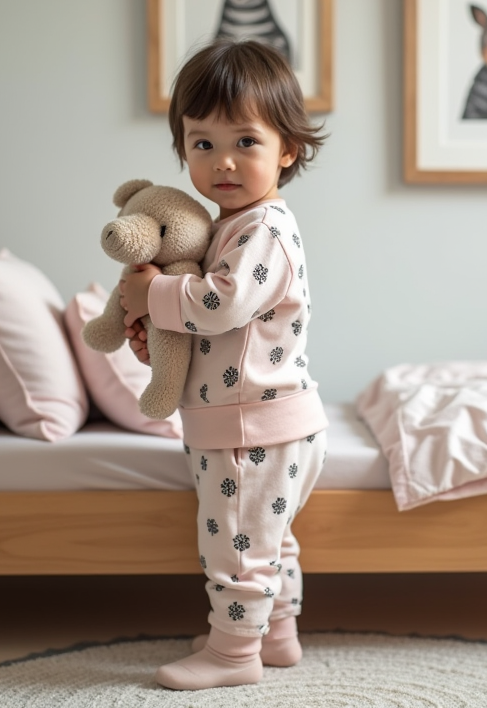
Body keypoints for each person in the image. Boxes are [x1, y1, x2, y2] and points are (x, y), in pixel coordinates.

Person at [118, 38, 328, 691]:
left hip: (251, 427)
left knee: (237, 546)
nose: (223, 162)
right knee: (270, 539)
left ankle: (234, 655)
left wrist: (148, 293)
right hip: (265, 419)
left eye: (246, 142)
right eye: (202, 144)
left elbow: (221, 305)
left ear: (287, 150)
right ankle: (274, 635)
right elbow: (213, 331)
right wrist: (154, 330)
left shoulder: (262, 227)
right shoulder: (231, 226)